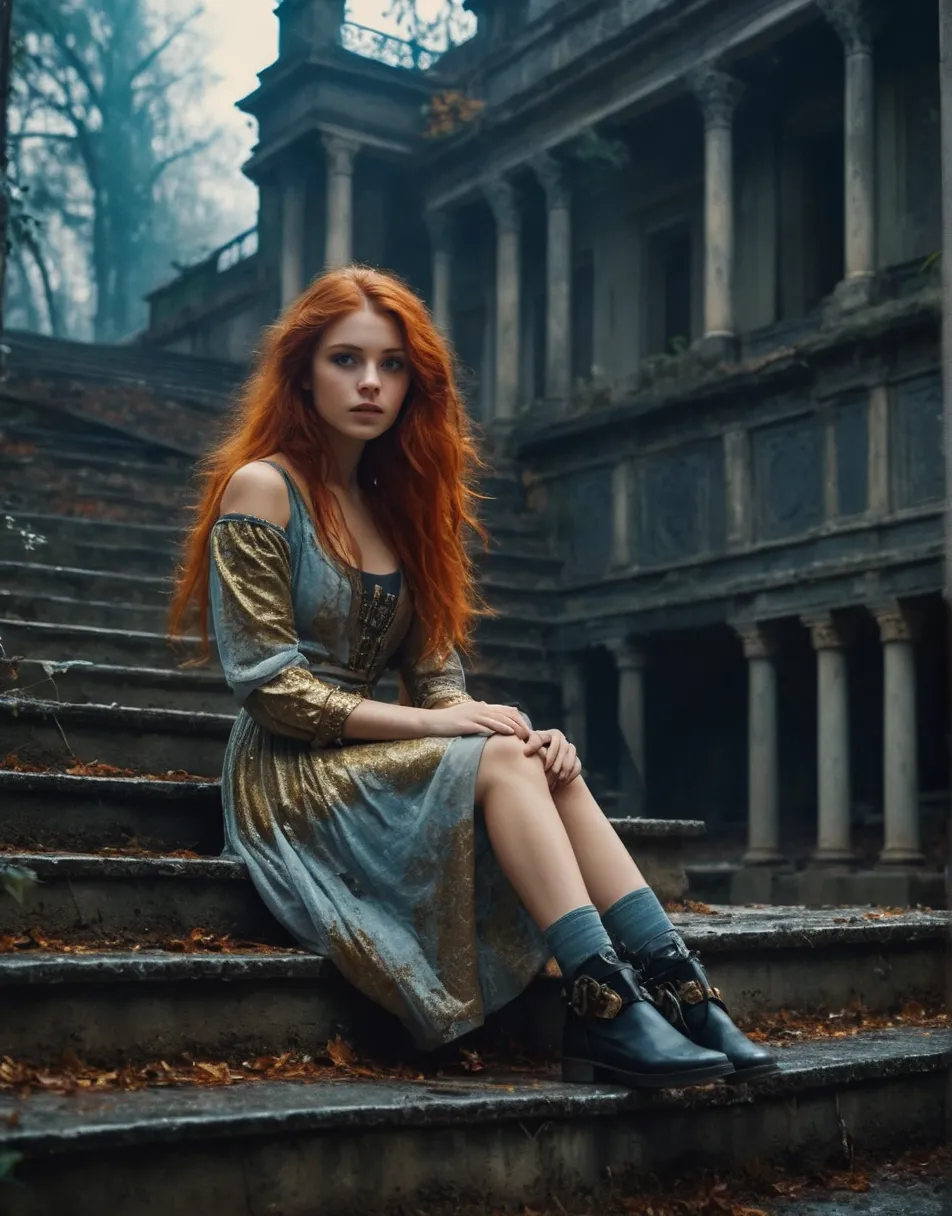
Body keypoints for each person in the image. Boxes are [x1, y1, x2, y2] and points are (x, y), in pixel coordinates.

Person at [167, 266, 777, 1089]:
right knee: (491, 754)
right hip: (288, 772)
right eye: (346, 360)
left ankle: (681, 992)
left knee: (533, 756)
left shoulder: (400, 508)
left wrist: (509, 728)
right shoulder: (263, 489)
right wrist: (440, 726)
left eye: (391, 366)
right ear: (303, 368)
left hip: (367, 757)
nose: (371, 383)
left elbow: (439, 683)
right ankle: (605, 1010)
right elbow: (270, 687)